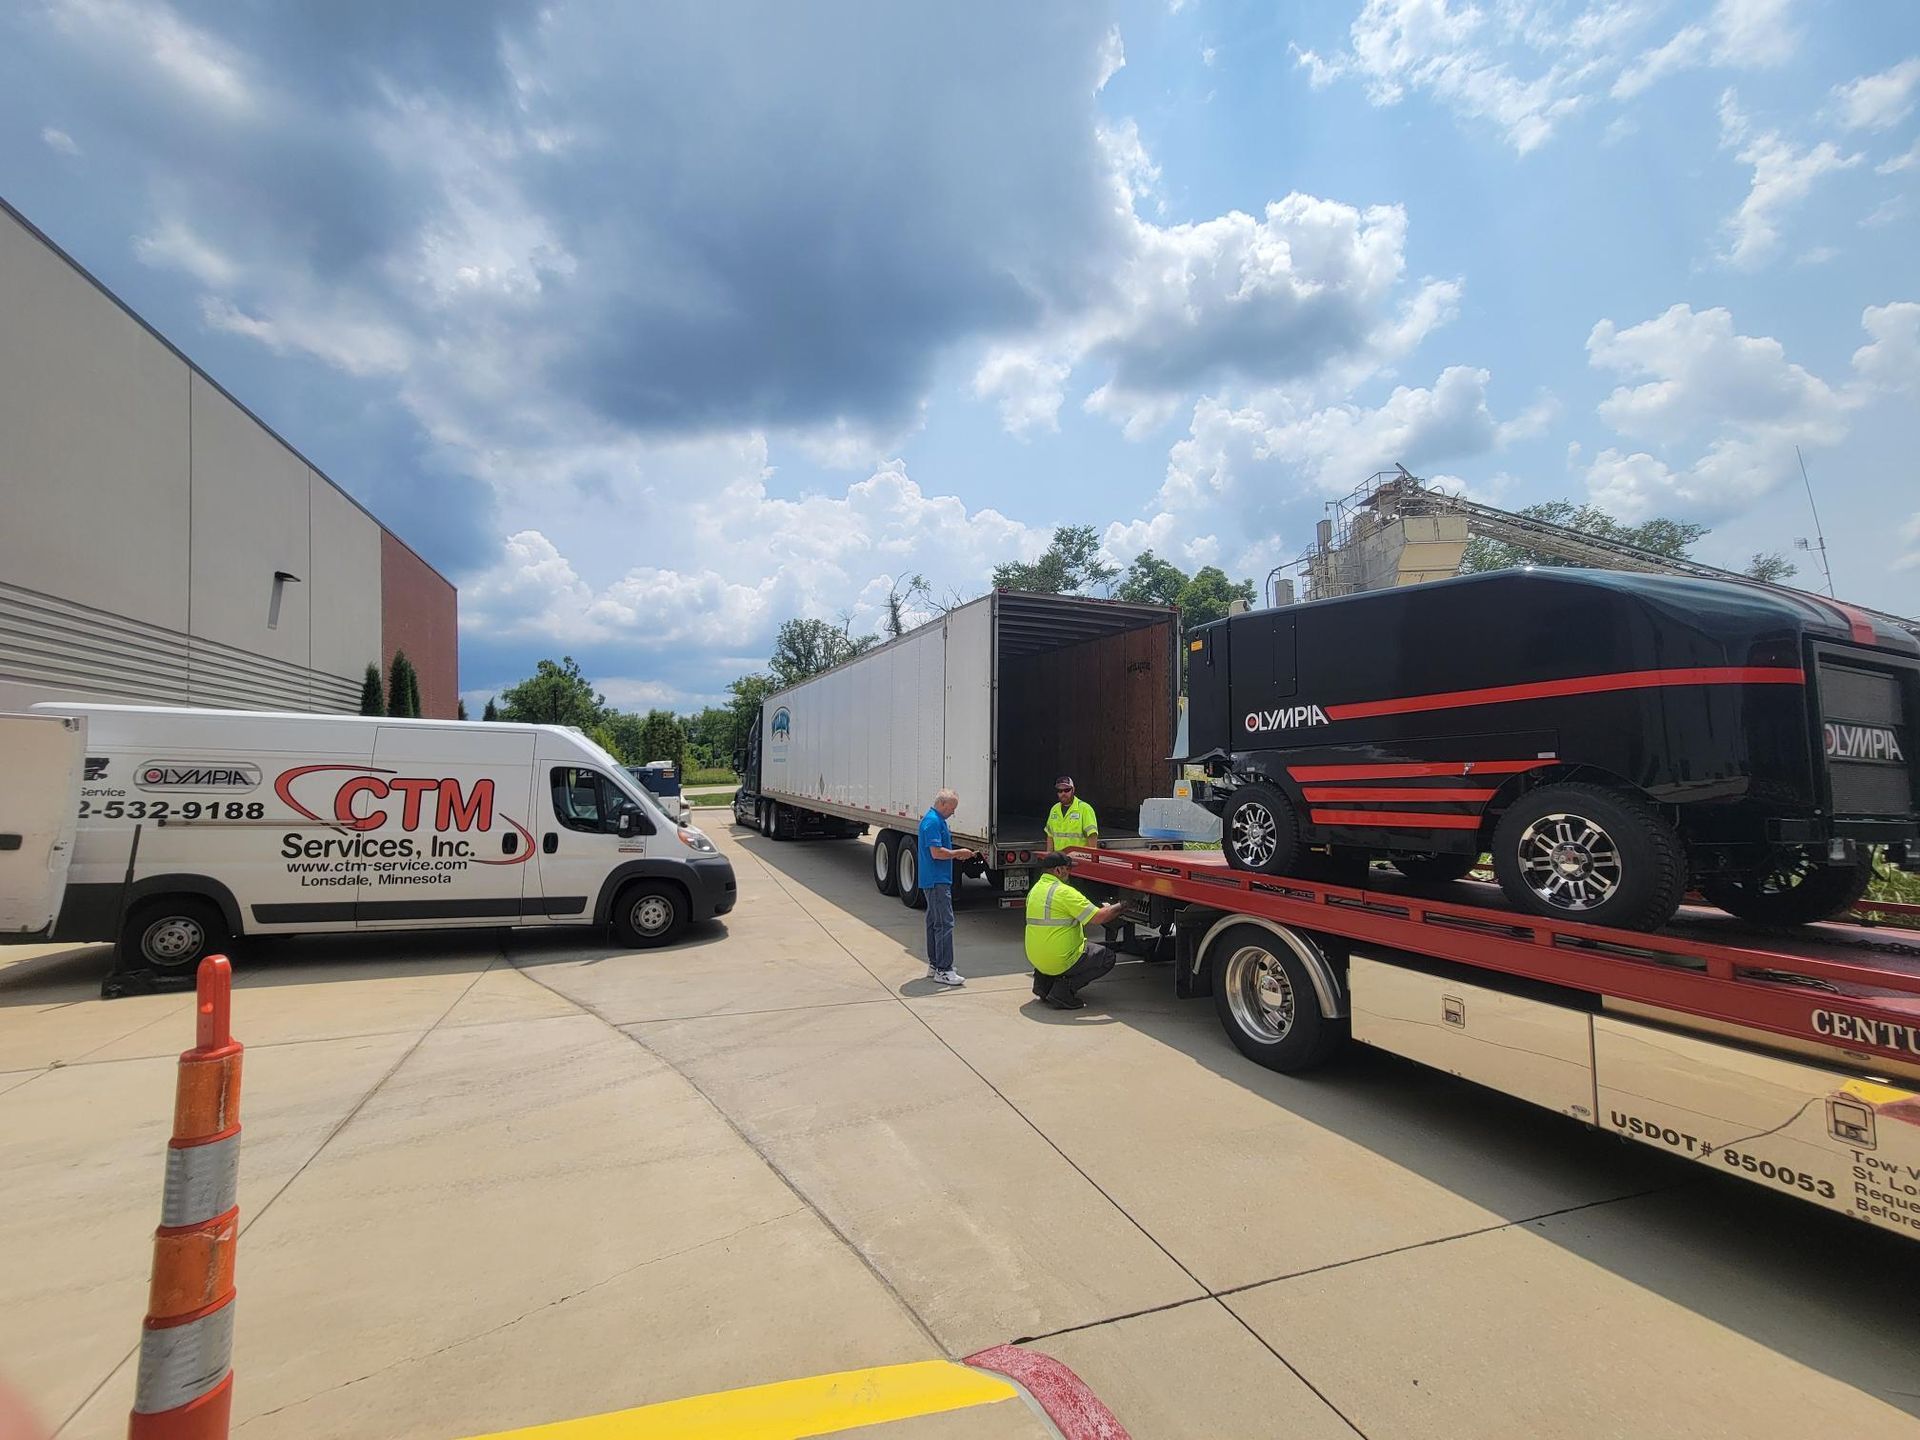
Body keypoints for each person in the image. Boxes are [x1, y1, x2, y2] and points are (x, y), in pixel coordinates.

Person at [1025, 852, 1125, 1010]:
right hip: (1059, 959)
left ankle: (1042, 985)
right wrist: (1124, 905)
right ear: (1058, 871)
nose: (1070, 873)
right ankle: (1063, 991)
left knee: (1053, 948)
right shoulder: (1064, 892)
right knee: (1106, 957)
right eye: (1068, 869)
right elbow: (1099, 917)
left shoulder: (1035, 890)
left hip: (1036, 959)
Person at [918, 788, 976, 987]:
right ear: (942, 804)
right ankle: (943, 969)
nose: (953, 812)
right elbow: (936, 853)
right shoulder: (933, 822)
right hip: (936, 880)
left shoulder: (935, 820)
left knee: (935, 922)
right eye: (952, 808)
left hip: (934, 879)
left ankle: (935, 965)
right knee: (944, 923)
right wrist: (958, 852)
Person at [1045, 775, 1099, 853]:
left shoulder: (1085, 809)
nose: (1063, 793)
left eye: (1067, 790)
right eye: (1060, 791)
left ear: (1073, 790)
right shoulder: (1054, 809)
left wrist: (1090, 858)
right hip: (1059, 860)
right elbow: (1050, 836)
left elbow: (1092, 835)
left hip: (1078, 860)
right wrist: (1049, 857)